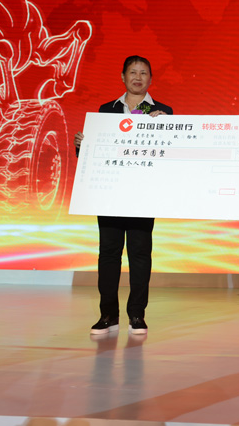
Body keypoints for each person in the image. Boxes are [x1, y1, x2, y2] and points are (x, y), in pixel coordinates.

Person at [74, 55, 173, 335]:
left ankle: (137, 315)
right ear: (123, 77)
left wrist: (166, 128)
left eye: (143, 73)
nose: (138, 77)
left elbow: (171, 155)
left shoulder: (162, 112)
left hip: (143, 195)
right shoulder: (107, 110)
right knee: (108, 254)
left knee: (140, 254)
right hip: (109, 193)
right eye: (132, 72)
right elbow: (98, 154)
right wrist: (83, 146)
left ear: (150, 79)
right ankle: (108, 315)